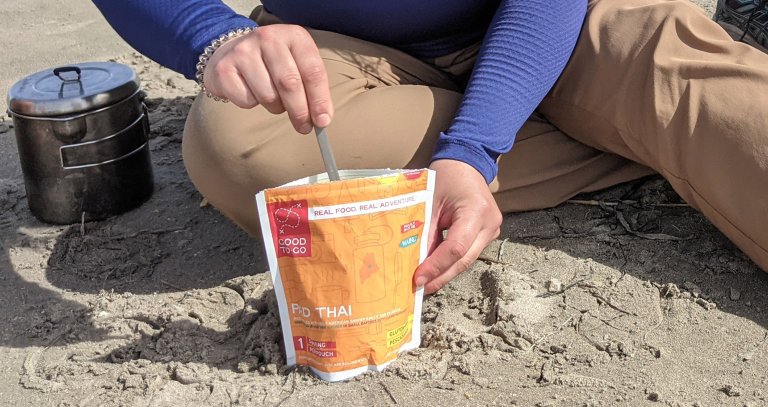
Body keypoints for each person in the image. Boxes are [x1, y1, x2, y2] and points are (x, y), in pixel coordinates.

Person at [92, 0, 768, 294]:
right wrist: (212, 35)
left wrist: (472, 146)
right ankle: (646, 138)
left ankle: (644, 124)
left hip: (560, 25)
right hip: (341, 50)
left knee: (692, 85)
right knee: (241, 149)